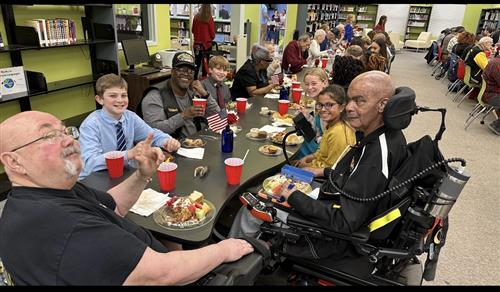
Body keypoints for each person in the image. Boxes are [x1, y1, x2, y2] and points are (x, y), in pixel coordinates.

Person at [0, 111, 254, 285]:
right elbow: (162, 275)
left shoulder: (52, 191)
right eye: (48, 136)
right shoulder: (60, 224)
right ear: (14, 161)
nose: (68, 139)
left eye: (64, 130)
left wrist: (142, 175)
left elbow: (111, 206)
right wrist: (223, 249)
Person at [230, 71, 407, 260]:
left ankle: (232, 263)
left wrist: (295, 196)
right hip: (333, 196)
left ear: (383, 104)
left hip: (332, 235)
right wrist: (322, 170)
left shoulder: (374, 157)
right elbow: (355, 178)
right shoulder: (386, 136)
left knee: (252, 207)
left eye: (360, 101)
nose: (350, 108)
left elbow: (344, 222)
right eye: (349, 100)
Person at [78, 74, 181, 180]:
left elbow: (151, 135)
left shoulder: (130, 117)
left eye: (123, 95)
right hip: (95, 179)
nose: (120, 100)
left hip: (123, 175)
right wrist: (128, 154)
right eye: (113, 96)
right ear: (100, 99)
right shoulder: (91, 125)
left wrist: (166, 141)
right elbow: (90, 163)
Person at [141, 51, 220, 139]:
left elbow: (217, 115)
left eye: (190, 71)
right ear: (172, 71)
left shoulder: (193, 92)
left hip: (197, 143)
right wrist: (184, 115)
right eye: (181, 69)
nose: (186, 74)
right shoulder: (155, 96)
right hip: (170, 149)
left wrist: (205, 94)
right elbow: (153, 131)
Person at [295, 85, 356, 172]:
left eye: (329, 105)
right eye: (320, 105)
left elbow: (332, 167)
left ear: (342, 107)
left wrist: (308, 165)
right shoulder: (332, 125)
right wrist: (308, 157)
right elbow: (323, 153)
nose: (323, 109)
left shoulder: (338, 132)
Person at [294, 68, 330, 160]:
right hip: (318, 145)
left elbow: (328, 139)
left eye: (314, 84)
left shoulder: (327, 106)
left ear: (324, 83)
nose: (309, 87)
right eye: (307, 84)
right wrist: (307, 117)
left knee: (293, 147)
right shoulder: (318, 102)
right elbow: (318, 128)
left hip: (322, 151)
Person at [192, 4, 215, 79]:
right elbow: (212, 34)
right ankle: (204, 79)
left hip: (197, 45)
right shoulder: (209, 18)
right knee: (205, 64)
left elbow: (192, 30)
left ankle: (194, 79)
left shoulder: (196, 17)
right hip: (206, 45)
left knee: (197, 63)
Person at [482, 57, 500, 135]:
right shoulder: (497, 65)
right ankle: (497, 126)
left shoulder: (494, 61)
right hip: (492, 96)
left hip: (489, 93)